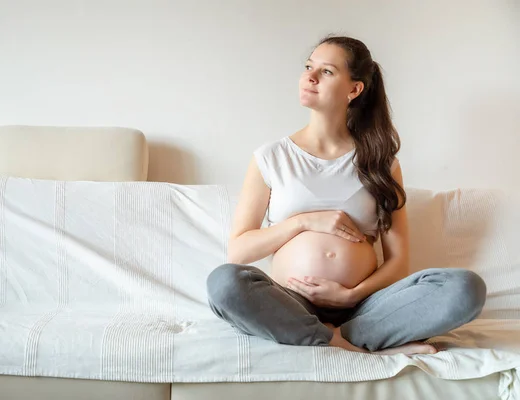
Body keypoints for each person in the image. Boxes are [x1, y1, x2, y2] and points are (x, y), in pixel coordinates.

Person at [206, 35, 486, 355]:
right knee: (225, 283)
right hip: (289, 301)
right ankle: (341, 341)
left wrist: (351, 296)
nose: (310, 76)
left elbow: (398, 262)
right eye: (309, 67)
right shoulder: (271, 157)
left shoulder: (381, 163)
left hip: (366, 306)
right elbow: (239, 252)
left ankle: (350, 334)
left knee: (465, 288)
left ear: (354, 89)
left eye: (326, 71)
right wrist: (304, 222)